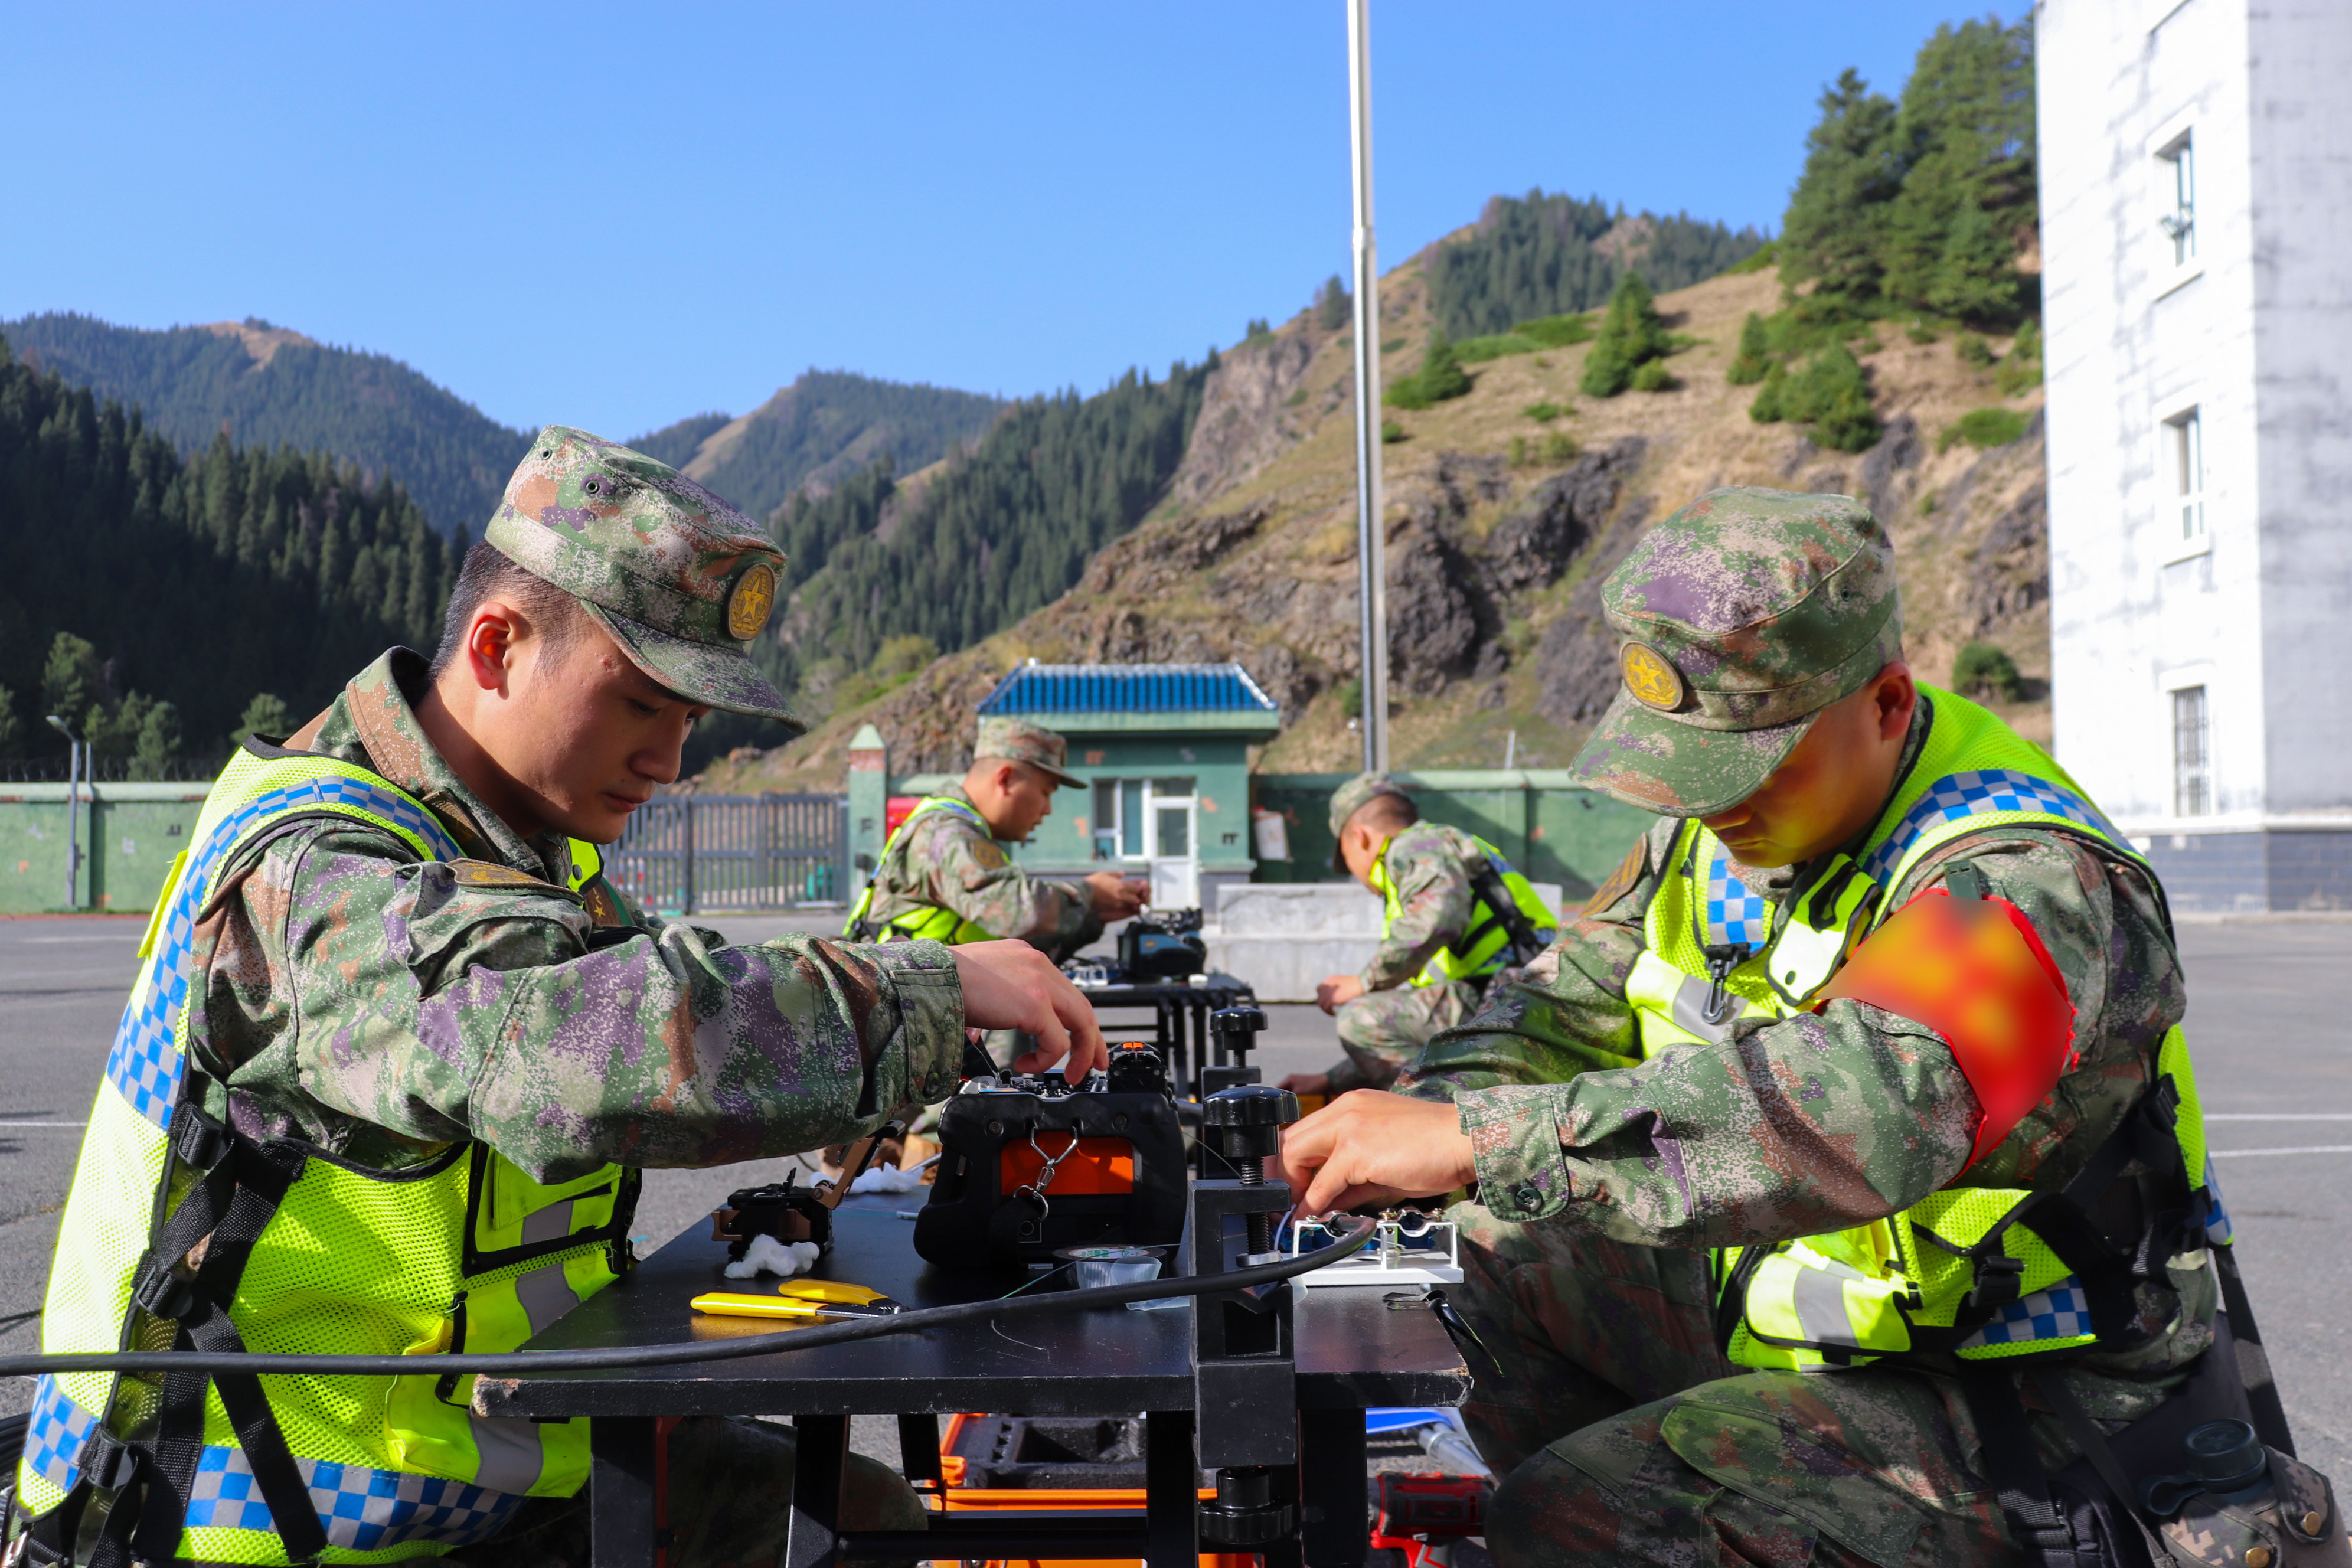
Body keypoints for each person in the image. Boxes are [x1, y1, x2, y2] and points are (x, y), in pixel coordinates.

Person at [8, 427, 1105, 1568]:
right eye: (639, 703)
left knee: (854, 1517)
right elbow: (570, 1042)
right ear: (498, 646)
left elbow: (683, 985)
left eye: (689, 722)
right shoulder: (318, 864)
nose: (668, 761)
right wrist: (923, 993)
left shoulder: (522, 852)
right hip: (243, 1519)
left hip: (481, 1467)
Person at [1278, 488, 2328, 1567]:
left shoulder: (2028, 875)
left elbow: (1868, 1110)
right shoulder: (1716, 840)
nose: (1708, 805)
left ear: (1885, 705)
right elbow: (1556, 1002)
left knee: (1585, 1515)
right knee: (1471, 1270)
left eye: (1744, 762)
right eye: (1685, 765)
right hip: (1822, 1331)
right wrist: (1410, 1127)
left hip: (2024, 1397)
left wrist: (1492, 1141)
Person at [1281, 776, 1555, 1097]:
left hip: (1513, 995)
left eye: (1346, 857)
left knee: (1360, 1018)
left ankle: (1434, 1114)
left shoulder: (1417, 846)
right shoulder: (1436, 848)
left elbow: (1438, 917)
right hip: (1512, 995)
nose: (1354, 873)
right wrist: (1330, 1080)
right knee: (1376, 1019)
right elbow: (1410, 1038)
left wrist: (1365, 981)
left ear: (1360, 838)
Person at [846, 716, 1147, 959]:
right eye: (1045, 792)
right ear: (1005, 779)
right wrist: (1089, 893)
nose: (1048, 809)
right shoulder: (949, 833)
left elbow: (1015, 945)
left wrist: (1095, 915)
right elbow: (1018, 913)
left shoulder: (958, 828)